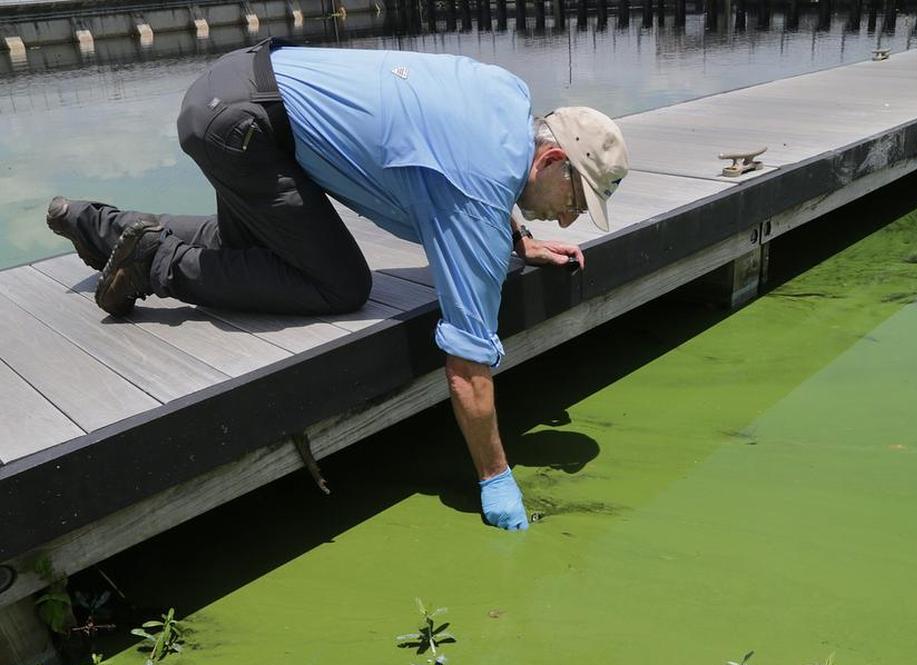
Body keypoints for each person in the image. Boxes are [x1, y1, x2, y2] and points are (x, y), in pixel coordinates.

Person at [45, 39, 630, 532]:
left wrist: (519, 239)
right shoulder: (479, 191)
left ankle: (97, 225)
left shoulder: (508, 97)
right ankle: (153, 265)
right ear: (551, 157)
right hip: (243, 128)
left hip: (232, 87)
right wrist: (495, 476)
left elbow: (473, 160)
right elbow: (467, 362)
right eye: (575, 198)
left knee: (257, 250)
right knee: (338, 283)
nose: (571, 218)